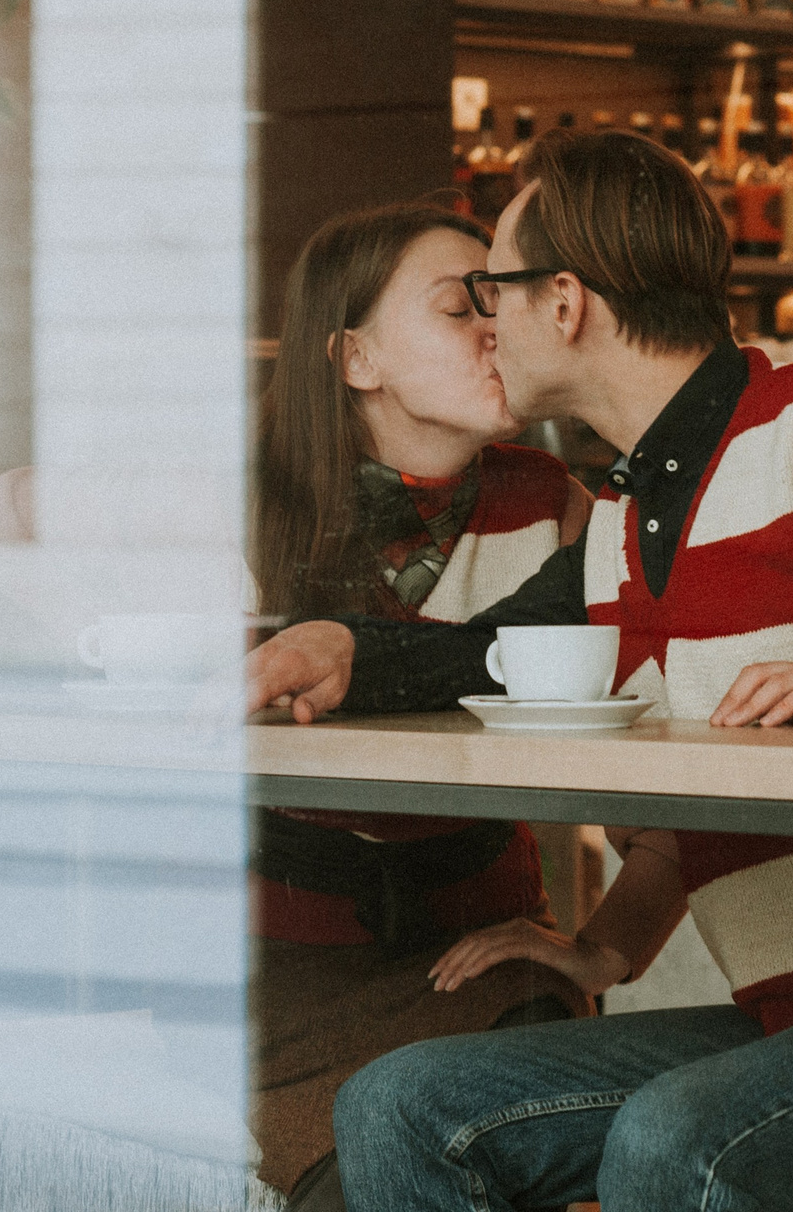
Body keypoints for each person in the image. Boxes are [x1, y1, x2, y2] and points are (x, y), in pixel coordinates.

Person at [242, 130, 793, 1212]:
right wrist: (339, 649)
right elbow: (485, 653)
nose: (488, 323)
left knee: (673, 1143)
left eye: (494, 290)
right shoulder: (630, 516)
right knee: (401, 1106)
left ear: (563, 303)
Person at [244, 201, 680, 1212]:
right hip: (276, 969)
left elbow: (664, 741)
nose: (499, 327)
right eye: (460, 307)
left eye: (501, 300)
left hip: (483, 956)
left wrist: (606, 944)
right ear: (357, 359)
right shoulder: (241, 502)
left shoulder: (558, 506)